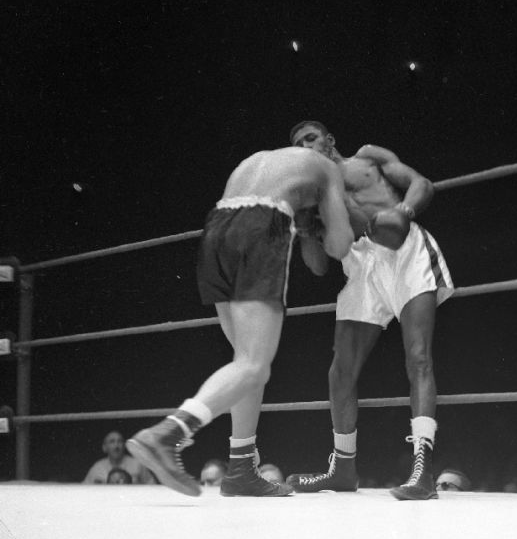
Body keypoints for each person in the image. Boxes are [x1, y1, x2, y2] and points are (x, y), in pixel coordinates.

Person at [127, 147, 353, 497]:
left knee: (245, 362)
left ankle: (241, 467)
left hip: (218, 226)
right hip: (262, 225)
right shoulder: (326, 168)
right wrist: (315, 223)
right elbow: (339, 246)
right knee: (253, 365)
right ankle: (167, 433)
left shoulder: (258, 161)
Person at [285, 121, 454, 501]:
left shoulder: (367, 159)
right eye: (299, 145)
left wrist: (403, 211)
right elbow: (316, 267)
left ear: (330, 140)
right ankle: (343, 467)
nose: (307, 147)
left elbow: (422, 184)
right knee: (339, 371)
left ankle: (422, 469)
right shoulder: (313, 198)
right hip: (361, 265)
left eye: (311, 138)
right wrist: (304, 226)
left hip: (404, 249)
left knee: (418, 357)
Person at [83, 430, 155, 484]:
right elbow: (84, 490)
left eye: (120, 441)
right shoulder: (97, 468)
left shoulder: (137, 465)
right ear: (104, 448)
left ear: (124, 446)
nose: (116, 446)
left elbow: (152, 487)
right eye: (112, 442)